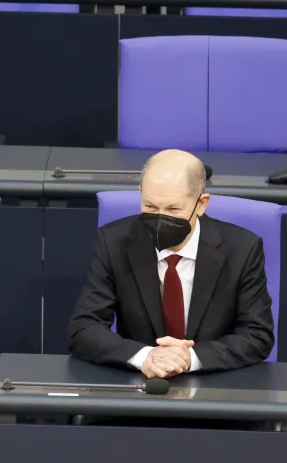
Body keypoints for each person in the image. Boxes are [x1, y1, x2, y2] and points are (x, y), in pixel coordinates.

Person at [68, 149, 274, 377]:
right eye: (150, 207)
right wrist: (146, 356)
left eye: (173, 209)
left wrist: (191, 358)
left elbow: (257, 335)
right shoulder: (114, 242)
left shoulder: (242, 249)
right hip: (139, 386)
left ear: (201, 204)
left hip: (214, 387)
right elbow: (84, 329)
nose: (160, 219)